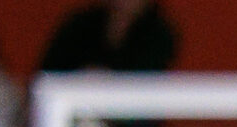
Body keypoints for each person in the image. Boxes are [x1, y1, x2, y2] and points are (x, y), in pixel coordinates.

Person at [37, 0, 178, 74]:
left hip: (133, 124)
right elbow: (47, 74)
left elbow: (143, 82)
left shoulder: (159, 33)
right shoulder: (79, 25)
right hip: (71, 118)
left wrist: (105, 79)